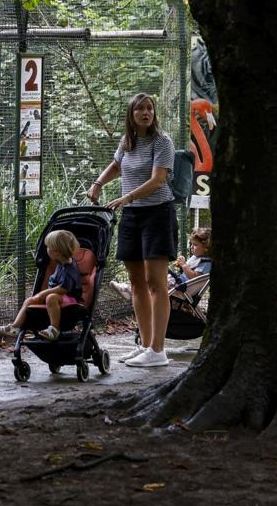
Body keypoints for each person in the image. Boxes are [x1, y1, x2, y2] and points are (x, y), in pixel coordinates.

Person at [86, 92, 177, 368]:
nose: (146, 112)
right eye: (140, 109)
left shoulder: (162, 141)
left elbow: (158, 180)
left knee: (155, 282)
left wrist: (126, 198)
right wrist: (98, 183)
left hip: (157, 214)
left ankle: (158, 350)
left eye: (150, 108)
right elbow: (116, 165)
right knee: (136, 282)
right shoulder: (128, 141)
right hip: (132, 217)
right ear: (132, 114)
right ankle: (146, 346)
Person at [0, 230, 82, 341]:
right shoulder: (61, 263)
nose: (47, 249)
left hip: (70, 300)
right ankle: (15, 327)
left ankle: (54, 330)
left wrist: (43, 293)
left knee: (51, 297)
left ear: (57, 252)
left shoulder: (70, 268)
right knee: (29, 301)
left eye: (48, 247)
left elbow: (64, 288)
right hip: (59, 297)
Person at [112, 225, 211, 299]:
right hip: (179, 284)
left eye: (195, 245)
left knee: (156, 281)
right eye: (191, 244)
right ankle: (129, 288)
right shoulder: (197, 258)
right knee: (154, 277)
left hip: (182, 289)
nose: (191, 247)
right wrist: (181, 266)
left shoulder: (206, 263)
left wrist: (184, 265)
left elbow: (194, 277)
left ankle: (128, 291)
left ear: (206, 248)